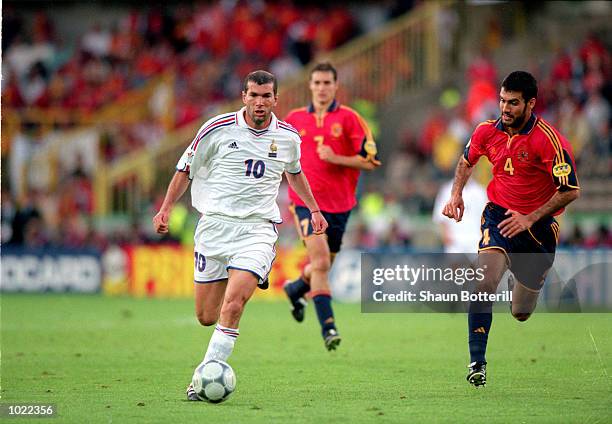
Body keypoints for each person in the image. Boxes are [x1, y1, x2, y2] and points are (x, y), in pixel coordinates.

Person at [152, 70, 328, 400]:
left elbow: (295, 174)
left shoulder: (289, 137)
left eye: (266, 96)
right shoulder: (216, 129)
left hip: (257, 230)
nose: (260, 102)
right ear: (243, 97)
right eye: (254, 95)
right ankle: (211, 364)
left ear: (276, 99)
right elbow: (185, 170)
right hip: (214, 227)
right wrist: (165, 209)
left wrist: (315, 209)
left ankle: (202, 377)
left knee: (234, 305)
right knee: (206, 316)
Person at [442, 71, 580, 387]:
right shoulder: (486, 132)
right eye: (503, 100)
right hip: (499, 216)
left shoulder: (550, 140)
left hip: (539, 228)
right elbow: (466, 161)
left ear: (530, 103)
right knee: (485, 281)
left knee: (521, 312)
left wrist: (531, 217)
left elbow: (571, 190)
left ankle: (517, 282)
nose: (505, 108)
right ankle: (477, 361)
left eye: (513, 103)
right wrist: (456, 194)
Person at [282, 62, 381, 350]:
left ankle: (296, 288)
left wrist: (336, 157)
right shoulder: (294, 119)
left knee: (322, 265)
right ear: (310, 86)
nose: (322, 88)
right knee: (322, 262)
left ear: (336, 86)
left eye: (327, 83)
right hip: (305, 204)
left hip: (339, 206)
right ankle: (329, 328)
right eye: (317, 83)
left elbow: (371, 161)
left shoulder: (350, 119)